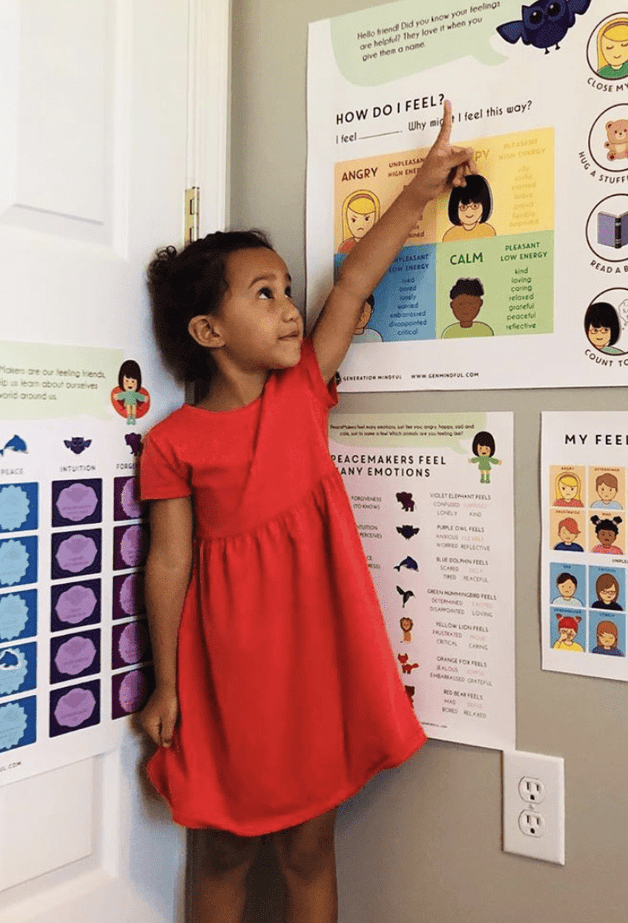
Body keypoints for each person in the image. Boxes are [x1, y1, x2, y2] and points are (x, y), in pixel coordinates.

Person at [137, 105, 474, 922]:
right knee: (219, 846)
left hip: (316, 664)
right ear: (210, 329)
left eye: (287, 289)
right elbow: (170, 563)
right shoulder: (174, 442)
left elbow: (355, 281)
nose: (290, 307)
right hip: (224, 673)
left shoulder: (301, 397)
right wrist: (167, 683)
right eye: (266, 293)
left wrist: (420, 190)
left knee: (308, 846)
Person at [442, 174, 496, 241]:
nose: (469, 212)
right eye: (463, 207)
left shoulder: (488, 232)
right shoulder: (450, 236)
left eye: (475, 206)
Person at [337, 189, 380, 254]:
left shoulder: (378, 243)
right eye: (354, 220)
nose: (360, 224)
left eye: (366, 219)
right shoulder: (346, 246)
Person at [111, 359, 149, 426]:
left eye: (133, 381)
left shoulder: (135, 393)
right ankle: (129, 418)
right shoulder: (125, 393)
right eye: (127, 381)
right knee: (128, 408)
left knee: (133, 408)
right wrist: (117, 396)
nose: (130, 384)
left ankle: (133, 418)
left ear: (138, 382)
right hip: (127, 403)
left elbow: (139, 397)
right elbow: (121, 396)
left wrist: (144, 398)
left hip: (134, 404)